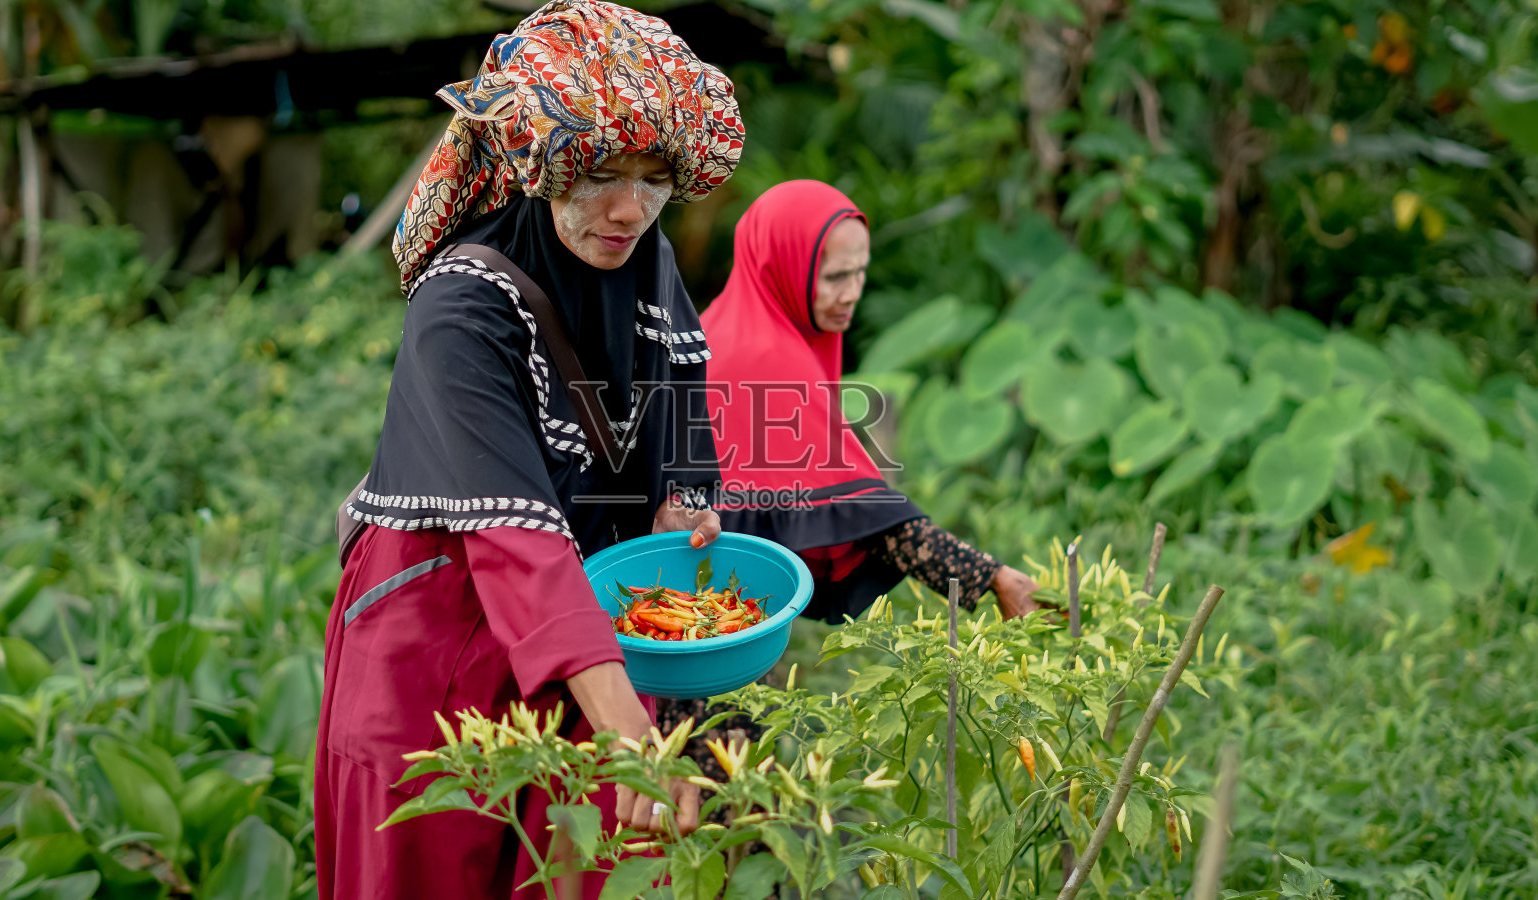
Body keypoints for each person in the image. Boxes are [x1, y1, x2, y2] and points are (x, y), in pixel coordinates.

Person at [312, 2, 743, 896]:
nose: (629, 208)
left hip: (583, 645)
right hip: (435, 645)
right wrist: (636, 738)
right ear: (536, 163)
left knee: (598, 868)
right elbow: (518, 541)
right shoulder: (463, 307)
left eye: (655, 175)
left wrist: (685, 500)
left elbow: (686, 422)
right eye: (599, 172)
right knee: (426, 862)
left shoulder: (646, 266)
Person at [657, 181, 1043, 764]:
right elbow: (866, 515)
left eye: (860, 272)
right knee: (718, 812)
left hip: (698, 624)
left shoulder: (729, 327)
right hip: (700, 629)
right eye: (834, 276)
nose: (851, 293)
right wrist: (991, 578)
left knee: (720, 816)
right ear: (780, 265)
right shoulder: (762, 358)